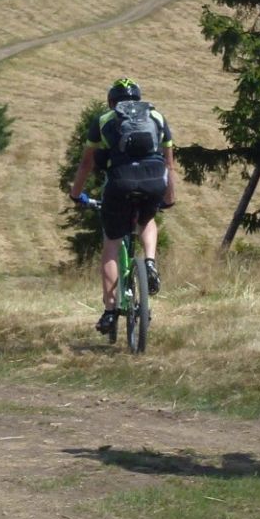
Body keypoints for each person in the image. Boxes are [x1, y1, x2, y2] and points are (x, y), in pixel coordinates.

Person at [67, 78, 176, 340]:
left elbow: (86, 164)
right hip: (154, 179)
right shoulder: (157, 117)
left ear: (111, 102)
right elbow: (170, 165)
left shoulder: (104, 120)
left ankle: (110, 310)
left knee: (111, 244)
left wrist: (75, 194)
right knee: (147, 219)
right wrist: (169, 198)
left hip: (120, 182)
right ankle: (149, 261)